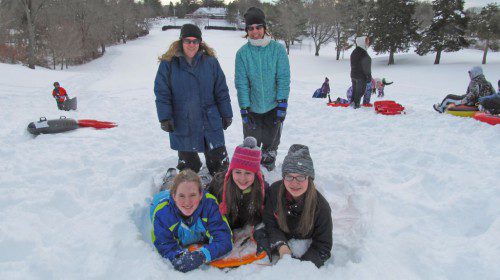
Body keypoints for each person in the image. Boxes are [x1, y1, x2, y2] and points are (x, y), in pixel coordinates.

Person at [154, 24, 233, 176]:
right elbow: (162, 92)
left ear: (200, 43)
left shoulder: (211, 62)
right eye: (187, 41)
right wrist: (164, 117)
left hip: (209, 120)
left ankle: (221, 192)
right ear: (181, 42)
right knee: (189, 169)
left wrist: (226, 113)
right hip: (183, 121)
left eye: (195, 41)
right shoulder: (169, 64)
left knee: (219, 165)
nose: (191, 44)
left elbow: (221, 90)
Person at [235, 7, 291, 171]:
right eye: (250, 28)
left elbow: (283, 78)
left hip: (274, 108)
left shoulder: (278, 50)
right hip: (252, 109)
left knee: (270, 145)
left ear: (265, 28)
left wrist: (282, 103)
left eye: (258, 27)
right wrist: (244, 107)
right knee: (251, 146)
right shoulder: (242, 54)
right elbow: (242, 82)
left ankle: (268, 169)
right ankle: (251, 174)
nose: (255, 32)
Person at [263, 144, 333, 268]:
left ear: (310, 178)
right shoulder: (274, 192)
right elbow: (270, 224)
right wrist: (281, 245)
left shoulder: (321, 208)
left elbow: (323, 246)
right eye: (289, 176)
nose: (294, 183)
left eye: (301, 176)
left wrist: (301, 268)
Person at [150, 169, 232, 273]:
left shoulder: (210, 205)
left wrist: (202, 255)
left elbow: (224, 239)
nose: (187, 202)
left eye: (193, 195)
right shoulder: (162, 214)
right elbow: (164, 245)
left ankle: (203, 173)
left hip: (189, 189)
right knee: (170, 185)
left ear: (201, 195)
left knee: (193, 183)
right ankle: (170, 177)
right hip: (163, 196)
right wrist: (177, 257)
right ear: (174, 196)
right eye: (181, 196)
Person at [350, 36, 372, 109]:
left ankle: (353, 103)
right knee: (360, 91)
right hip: (360, 76)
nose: (368, 42)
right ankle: (356, 105)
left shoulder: (355, 51)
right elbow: (366, 66)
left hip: (354, 74)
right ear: (362, 42)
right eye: (367, 41)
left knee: (355, 90)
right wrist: (368, 76)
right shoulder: (363, 52)